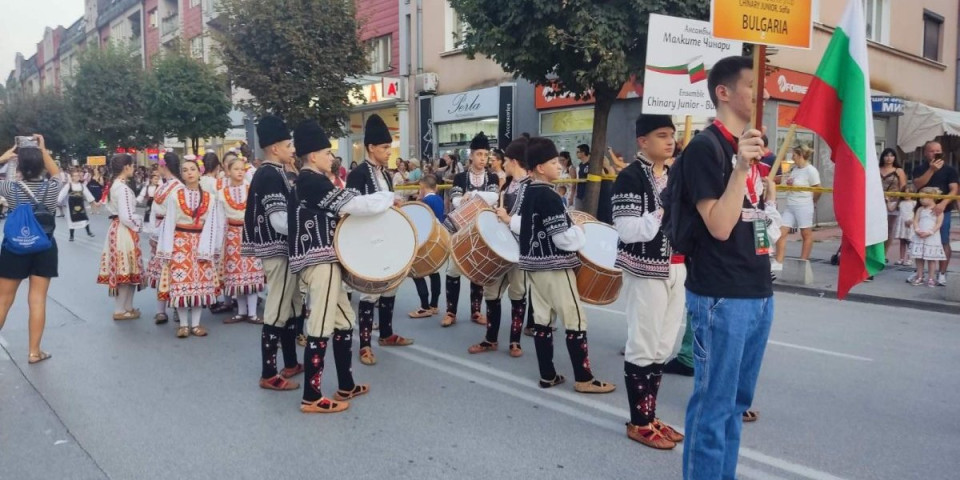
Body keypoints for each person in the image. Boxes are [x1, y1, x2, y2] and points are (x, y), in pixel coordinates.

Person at [678, 55, 781, 479]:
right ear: (724, 92)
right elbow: (719, 226)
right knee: (714, 406)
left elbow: (754, 223)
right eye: (755, 88)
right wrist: (740, 169)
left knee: (736, 407)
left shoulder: (753, 148)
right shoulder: (706, 148)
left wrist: (767, 201)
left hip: (757, 290)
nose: (766, 95)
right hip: (721, 294)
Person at [289, 120, 394, 413]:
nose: (331, 157)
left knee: (344, 321)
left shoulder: (314, 179)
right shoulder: (310, 181)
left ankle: (345, 384)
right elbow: (354, 204)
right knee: (320, 325)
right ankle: (312, 396)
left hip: (328, 260)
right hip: (318, 262)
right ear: (312, 156)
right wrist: (389, 198)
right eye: (326, 152)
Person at [519, 136, 615, 394]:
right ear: (540, 167)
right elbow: (563, 238)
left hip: (533, 267)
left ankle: (547, 374)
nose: (560, 165)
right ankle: (584, 378)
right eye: (553, 162)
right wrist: (580, 231)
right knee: (575, 319)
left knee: (542, 319)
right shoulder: (549, 196)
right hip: (555, 267)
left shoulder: (528, 192)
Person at [613, 114, 685, 449]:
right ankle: (639, 421)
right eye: (661, 135)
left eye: (672, 134)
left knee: (663, 345)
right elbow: (627, 230)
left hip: (678, 267)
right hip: (644, 269)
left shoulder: (675, 175)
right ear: (643, 141)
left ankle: (650, 415)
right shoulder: (630, 177)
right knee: (643, 343)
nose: (670, 140)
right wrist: (662, 210)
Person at [345, 114, 414, 366]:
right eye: (385, 147)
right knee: (368, 293)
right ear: (371, 147)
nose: (389, 152)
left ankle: (385, 334)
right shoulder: (357, 175)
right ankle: (364, 345)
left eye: (390, 147)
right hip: (367, 241)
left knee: (390, 286)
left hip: (387, 238)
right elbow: (352, 210)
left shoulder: (385, 174)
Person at [243, 115, 303, 391]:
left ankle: (290, 363)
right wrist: (307, 227)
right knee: (278, 307)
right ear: (275, 148)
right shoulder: (268, 174)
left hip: (283, 249)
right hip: (277, 250)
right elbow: (279, 220)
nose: (293, 149)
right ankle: (269, 373)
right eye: (288, 144)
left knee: (290, 305)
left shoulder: (276, 172)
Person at [467, 137, 531, 358]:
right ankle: (491, 338)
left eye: (504, 160)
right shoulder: (506, 185)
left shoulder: (531, 186)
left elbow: (532, 221)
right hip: (501, 247)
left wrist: (507, 218)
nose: (501, 164)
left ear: (513, 161)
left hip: (519, 250)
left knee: (517, 293)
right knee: (491, 292)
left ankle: (515, 342)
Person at [0, 136, 61, 364]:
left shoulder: (9, 187)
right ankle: (34, 352)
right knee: (37, 300)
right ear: (42, 164)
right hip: (44, 246)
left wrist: (5, 157)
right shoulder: (52, 188)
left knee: (3, 300)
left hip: (14, 247)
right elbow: (57, 174)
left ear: (19, 166)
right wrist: (43, 150)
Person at [156, 156, 222, 338]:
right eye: (185, 170)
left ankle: (196, 324)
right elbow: (168, 222)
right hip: (180, 243)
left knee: (200, 284)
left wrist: (212, 248)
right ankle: (184, 324)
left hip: (202, 243)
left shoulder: (210, 198)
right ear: (182, 174)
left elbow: (213, 224)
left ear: (199, 172)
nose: (189, 173)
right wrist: (167, 249)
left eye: (192, 169)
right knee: (181, 284)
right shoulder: (175, 196)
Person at [441, 132, 499, 328]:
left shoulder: (492, 177)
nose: (483, 158)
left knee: (477, 271)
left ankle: (476, 310)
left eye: (486, 155)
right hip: (461, 230)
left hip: (482, 232)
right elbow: (456, 200)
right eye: (480, 154)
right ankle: (450, 311)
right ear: (471, 155)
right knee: (453, 270)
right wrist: (471, 198)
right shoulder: (459, 177)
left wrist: (471, 195)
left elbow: (493, 198)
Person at [96, 154, 145, 321]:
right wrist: (137, 224)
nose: (133, 168)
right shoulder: (123, 189)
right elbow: (126, 216)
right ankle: (120, 309)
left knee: (128, 270)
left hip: (117, 228)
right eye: (132, 165)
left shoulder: (115, 185)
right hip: (123, 229)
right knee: (124, 270)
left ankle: (127, 307)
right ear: (126, 167)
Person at [218, 153, 265, 324]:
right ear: (228, 171)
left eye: (241, 169)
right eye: (235, 169)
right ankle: (241, 311)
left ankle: (252, 313)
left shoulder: (252, 190)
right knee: (236, 275)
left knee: (251, 275)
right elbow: (219, 218)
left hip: (249, 234)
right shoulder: (221, 194)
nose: (239, 172)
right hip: (231, 235)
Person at [911, 140, 957, 286]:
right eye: (932, 151)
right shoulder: (920, 168)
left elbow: (954, 189)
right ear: (926, 152)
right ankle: (920, 272)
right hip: (922, 210)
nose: (936, 153)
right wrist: (931, 170)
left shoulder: (950, 170)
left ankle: (941, 273)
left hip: (942, 211)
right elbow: (918, 185)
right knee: (920, 240)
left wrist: (943, 204)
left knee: (943, 241)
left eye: (939, 150)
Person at [145, 153, 183, 324]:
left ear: (164, 166)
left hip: (172, 231)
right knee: (162, 270)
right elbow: (153, 210)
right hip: (159, 230)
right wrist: (153, 230)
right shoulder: (162, 186)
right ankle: (161, 310)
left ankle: (175, 307)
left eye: (159, 165)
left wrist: (157, 230)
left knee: (173, 270)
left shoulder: (179, 187)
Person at [773, 145, 821, 267]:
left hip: (803, 205)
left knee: (806, 233)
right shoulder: (794, 169)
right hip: (790, 205)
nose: (792, 157)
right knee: (781, 232)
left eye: (794, 155)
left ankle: (803, 262)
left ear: (800, 156)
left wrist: (813, 201)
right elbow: (785, 180)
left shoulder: (811, 170)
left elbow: (818, 189)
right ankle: (778, 261)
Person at [409, 174, 445, 319]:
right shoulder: (439, 199)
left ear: (422, 188)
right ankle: (434, 304)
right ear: (436, 188)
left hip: (424, 240)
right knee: (434, 272)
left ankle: (424, 306)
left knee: (416, 273)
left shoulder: (423, 202)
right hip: (438, 240)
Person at [910, 187, 947, 287]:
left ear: (932, 197)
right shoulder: (920, 209)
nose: (921, 200)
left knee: (931, 258)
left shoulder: (938, 210)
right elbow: (915, 220)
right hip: (920, 235)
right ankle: (920, 276)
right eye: (920, 198)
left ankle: (931, 278)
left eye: (923, 198)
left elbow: (938, 224)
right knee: (919, 257)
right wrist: (917, 230)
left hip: (931, 237)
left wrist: (930, 232)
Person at [879, 148, 907, 259]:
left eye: (891, 155)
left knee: (889, 228)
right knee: (878, 227)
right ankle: (876, 251)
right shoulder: (877, 169)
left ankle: (884, 253)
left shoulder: (899, 171)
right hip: (878, 201)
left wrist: (899, 202)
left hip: (893, 202)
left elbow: (903, 187)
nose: (889, 158)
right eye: (886, 155)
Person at [58, 170, 97, 241]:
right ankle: (71, 236)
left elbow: (88, 194)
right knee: (71, 219)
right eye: (75, 176)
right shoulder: (68, 185)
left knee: (84, 217)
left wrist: (94, 202)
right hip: (71, 205)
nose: (77, 177)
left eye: (78, 176)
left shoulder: (82, 185)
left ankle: (88, 232)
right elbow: (62, 193)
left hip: (80, 204)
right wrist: (58, 201)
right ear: (72, 177)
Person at [894, 184, 917, 266]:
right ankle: (901, 258)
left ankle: (910, 258)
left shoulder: (914, 203)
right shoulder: (901, 203)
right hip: (901, 223)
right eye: (905, 193)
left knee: (910, 242)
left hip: (909, 223)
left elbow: (916, 213)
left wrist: (912, 220)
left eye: (909, 193)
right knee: (902, 241)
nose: (907, 195)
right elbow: (892, 208)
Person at [574, 144, 591, 210]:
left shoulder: (591, 164)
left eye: (578, 152)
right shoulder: (580, 165)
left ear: (583, 153)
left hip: (588, 194)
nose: (576, 154)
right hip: (579, 194)